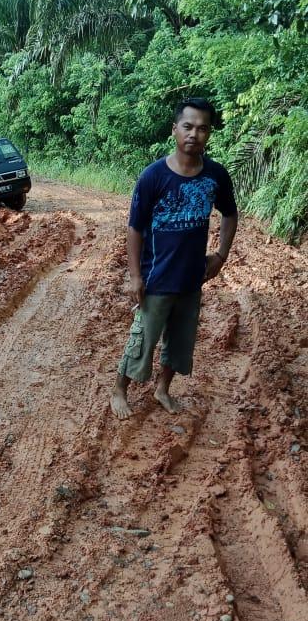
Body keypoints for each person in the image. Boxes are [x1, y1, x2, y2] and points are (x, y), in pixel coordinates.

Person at [110, 97, 238, 419]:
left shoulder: (216, 176)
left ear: (209, 133)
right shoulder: (153, 177)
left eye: (202, 128)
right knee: (143, 338)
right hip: (156, 278)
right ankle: (119, 389)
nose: (194, 134)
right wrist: (135, 275)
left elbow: (230, 214)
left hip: (192, 278)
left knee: (180, 343)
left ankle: (162, 389)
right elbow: (135, 228)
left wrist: (220, 255)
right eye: (188, 126)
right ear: (174, 130)